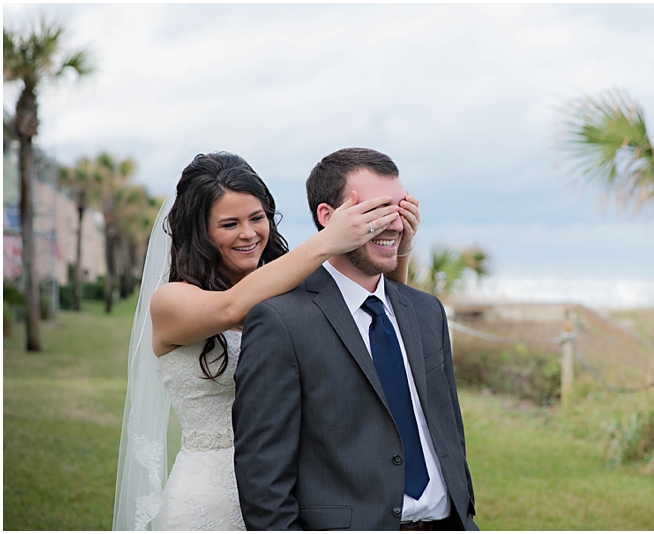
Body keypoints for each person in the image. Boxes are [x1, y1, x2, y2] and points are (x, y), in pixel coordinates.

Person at [112, 151, 420, 531]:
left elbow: (378, 325)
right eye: (229, 224)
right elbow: (234, 308)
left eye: (257, 218)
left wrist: (398, 245)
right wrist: (328, 240)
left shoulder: (294, 289)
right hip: (209, 500)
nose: (248, 233)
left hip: (292, 493)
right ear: (200, 232)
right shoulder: (171, 302)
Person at [233, 147, 478, 531]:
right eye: (377, 211)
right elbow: (263, 482)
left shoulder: (427, 311)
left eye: (401, 209)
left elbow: (449, 434)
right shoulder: (281, 320)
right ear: (329, 217)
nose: (396, 225)